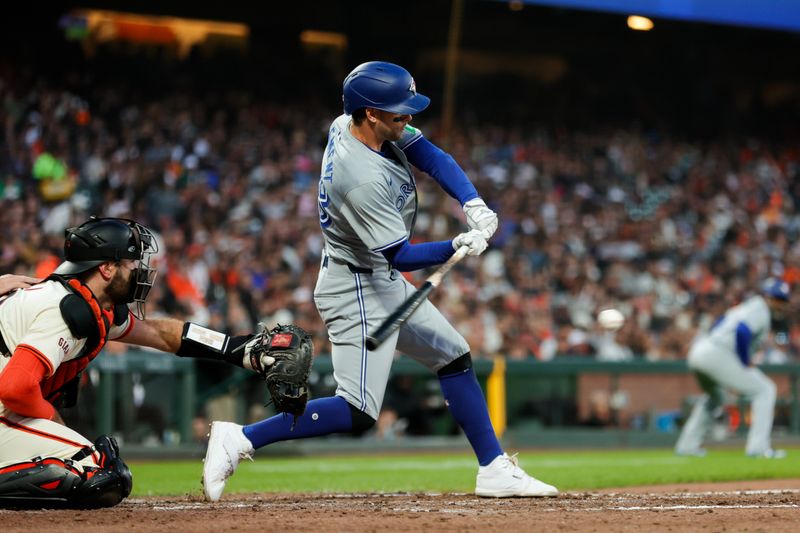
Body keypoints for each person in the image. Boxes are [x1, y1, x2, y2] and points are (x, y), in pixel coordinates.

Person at [202, 61, 558, 501]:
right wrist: (456, 244)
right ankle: (240, 438)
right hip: (357, 287)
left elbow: (430, 155)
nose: (407, 117)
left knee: (454, 356)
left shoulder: (352, 122)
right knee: (357, 410)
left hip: (375, 276)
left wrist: (473, 202)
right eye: (397, 111)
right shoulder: (360, 177)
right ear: (370, 113)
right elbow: (403, 255)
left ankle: (493, 468)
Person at [0, 217, 276, 508]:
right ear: (107, 268)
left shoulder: (92, 305)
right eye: (131, 262)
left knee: (105, 473)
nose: (138, 270)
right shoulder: (65, 307)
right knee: (100, 474)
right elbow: (15, 388)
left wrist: (236, 348)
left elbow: (162, 334)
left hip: (7, 410)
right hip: (6, 406)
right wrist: (52, 419)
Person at [674, 278, 791, 458]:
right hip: (718, 354)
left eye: (782, 300)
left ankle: (687, 446)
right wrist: (744, 360)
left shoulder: (746, 307)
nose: (780, 304)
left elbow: (720, 322)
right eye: (777, 298)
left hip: (702, 350)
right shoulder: (760, 309)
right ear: (767, 296)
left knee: (715, 397)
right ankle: (758, 448)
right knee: (765, 390)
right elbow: (742, 331)